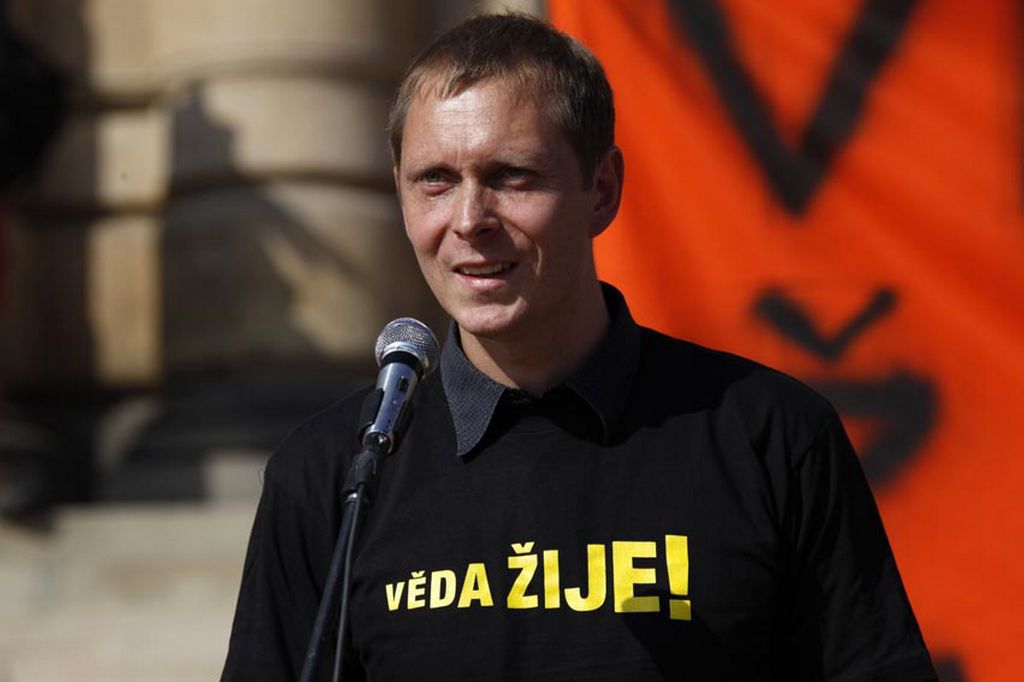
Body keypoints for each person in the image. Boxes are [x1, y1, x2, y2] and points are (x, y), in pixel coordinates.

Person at [223, 13, 936, 681]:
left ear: (602, 189)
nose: (469, 219)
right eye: (434, 181)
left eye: (512, 177)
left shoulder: (773, 437)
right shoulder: (333, 474)